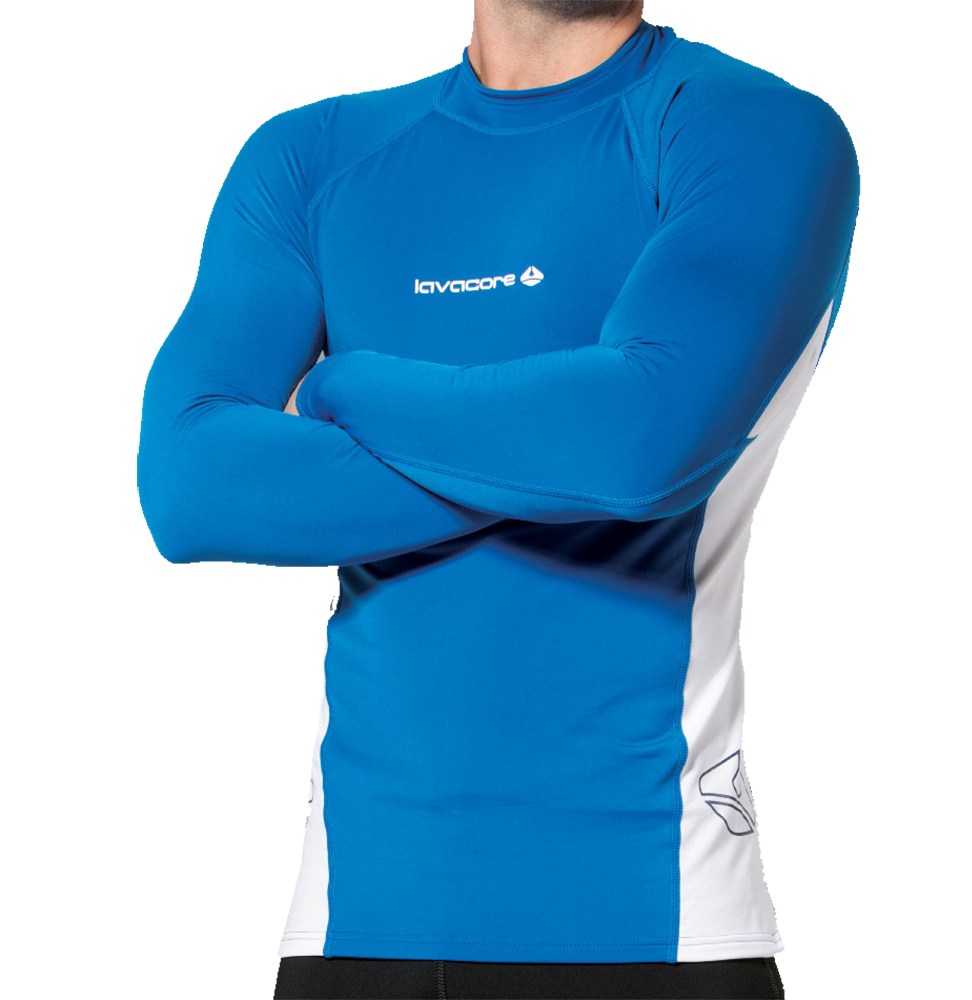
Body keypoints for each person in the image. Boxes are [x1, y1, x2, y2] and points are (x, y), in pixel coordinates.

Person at [136, 0, 860, 996]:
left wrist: (342, 387)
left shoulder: (748, 127)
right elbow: (191, 484)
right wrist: (557, 444)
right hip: (354, 930)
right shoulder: (313, 158)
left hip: (656, 924)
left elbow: (635, 443)